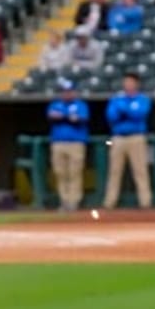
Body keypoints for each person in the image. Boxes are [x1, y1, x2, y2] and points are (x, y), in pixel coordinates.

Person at [103, 71, 152, 209]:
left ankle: (145, 202)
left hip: (136, 137)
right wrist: (127, 111)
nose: (128, 84)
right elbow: (111, 116)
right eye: (126, 82)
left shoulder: (142, 99)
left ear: (136, 84)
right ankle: (109, 202)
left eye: (131, 82)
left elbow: (139, 114)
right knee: (114, 171)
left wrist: (124, 110)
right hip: (118, 138)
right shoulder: (116, 99)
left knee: (140, 170)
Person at [47, 79, 89, 211]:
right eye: (64, 92)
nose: (66, 94)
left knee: (74, 173)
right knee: (60, 173)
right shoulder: (55, 104)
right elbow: (52, 117)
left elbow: (80, 120)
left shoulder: (80, 105)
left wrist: (64, 117)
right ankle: (64, 201)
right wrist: (68, 117)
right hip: (58, 143)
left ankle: (74, 201)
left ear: (74, 92)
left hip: (76, 143)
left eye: (69, 91)